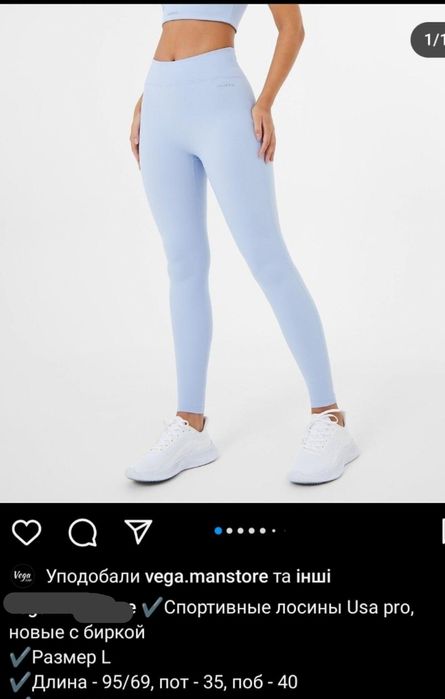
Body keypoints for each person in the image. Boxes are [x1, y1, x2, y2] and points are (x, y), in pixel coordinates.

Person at [127, 4, 359, 485]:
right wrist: (148, 96)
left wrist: (266, 102)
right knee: (183, 264)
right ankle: (190, 425)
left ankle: (329, 416)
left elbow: (292, 27)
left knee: (267, 258)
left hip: (222, 103)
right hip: (160, 101)